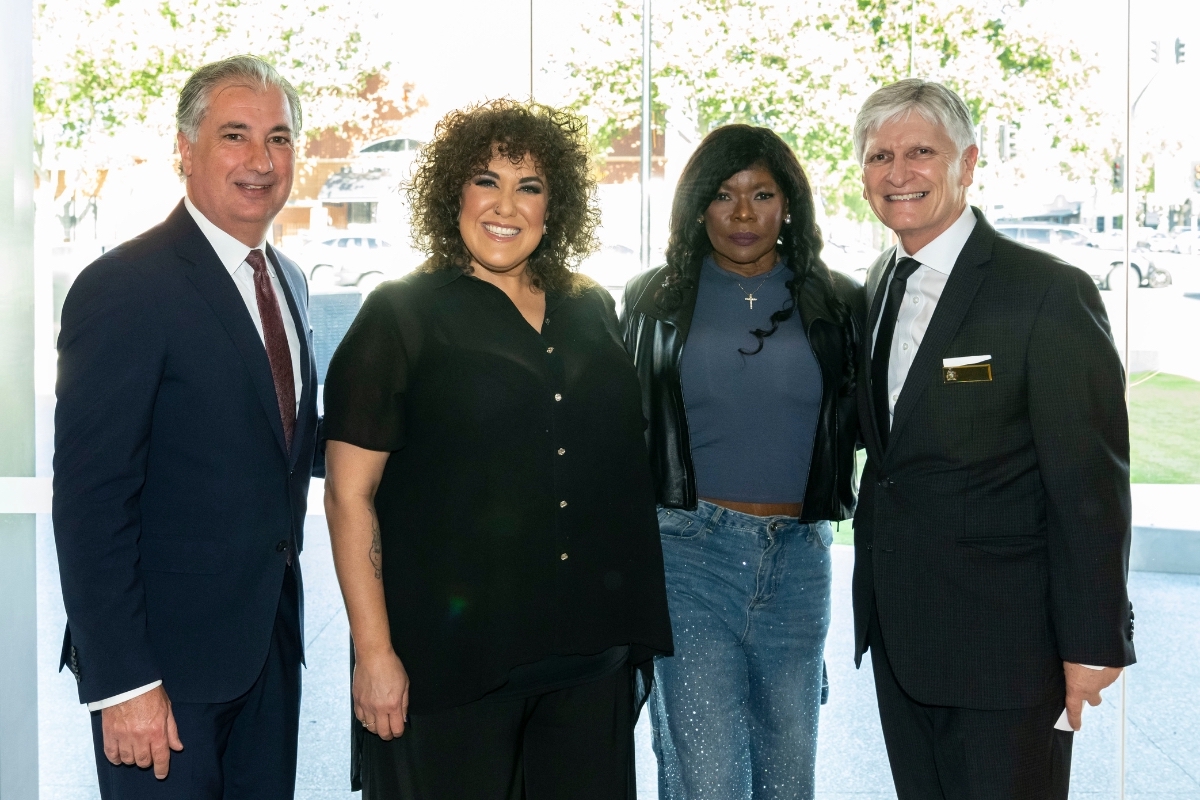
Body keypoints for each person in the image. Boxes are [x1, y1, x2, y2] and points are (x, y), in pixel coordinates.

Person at [321, 99, 673, 799]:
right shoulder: (399, 315)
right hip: (450, 666)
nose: (505, 204)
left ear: (555, 205)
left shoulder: (590, 306)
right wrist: (375, 653)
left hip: (589, 661)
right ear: (453, 191)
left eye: (530, 186)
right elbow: (347, 495)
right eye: (487, 180)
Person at [851, 78, 1136, 799]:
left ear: (968, 163)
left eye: (921, 151)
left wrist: (1093, 642)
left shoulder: (1046, 292)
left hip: (1006, 651)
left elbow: (1090, 483)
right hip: (901, 641)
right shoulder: (880, 281)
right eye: (880, 154)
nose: (898, 172)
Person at [53, 55, 318, 798]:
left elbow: (278, 449)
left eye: (280, 137)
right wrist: (124, 682)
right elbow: (90, 502)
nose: (261, 161)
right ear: (185, 148)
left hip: (267, 657)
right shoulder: (124, 288)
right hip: (161, 680)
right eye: (235, 135)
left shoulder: (289, 281)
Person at [620, 124, 863, 800]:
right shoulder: (651, 300)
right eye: (724, 196)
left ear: (790, 203)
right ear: (698, 205)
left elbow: (870, 422)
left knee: (789, 775)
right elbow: (621, 430)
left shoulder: (838, 302)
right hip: (688, 555)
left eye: (762, 193)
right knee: (708, 777)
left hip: (800, 561)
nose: (745, 214)